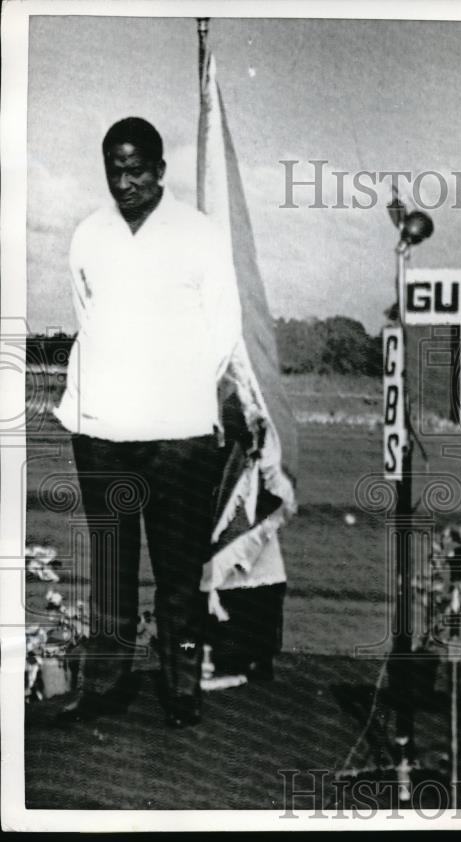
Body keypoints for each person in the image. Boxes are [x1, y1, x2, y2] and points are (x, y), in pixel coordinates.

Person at [54, 117, 241, 728]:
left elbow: (223, 330)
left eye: (137, 169)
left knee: (179, 576)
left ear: (161, 169)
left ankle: (180, 687)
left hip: (181, 434)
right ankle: (104, 683)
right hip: (102, 429)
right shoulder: (88, 235)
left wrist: (180, 396)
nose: (126, 181)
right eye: (116, 168)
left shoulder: (201, 234)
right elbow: (90, 315)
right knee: (110, 567)